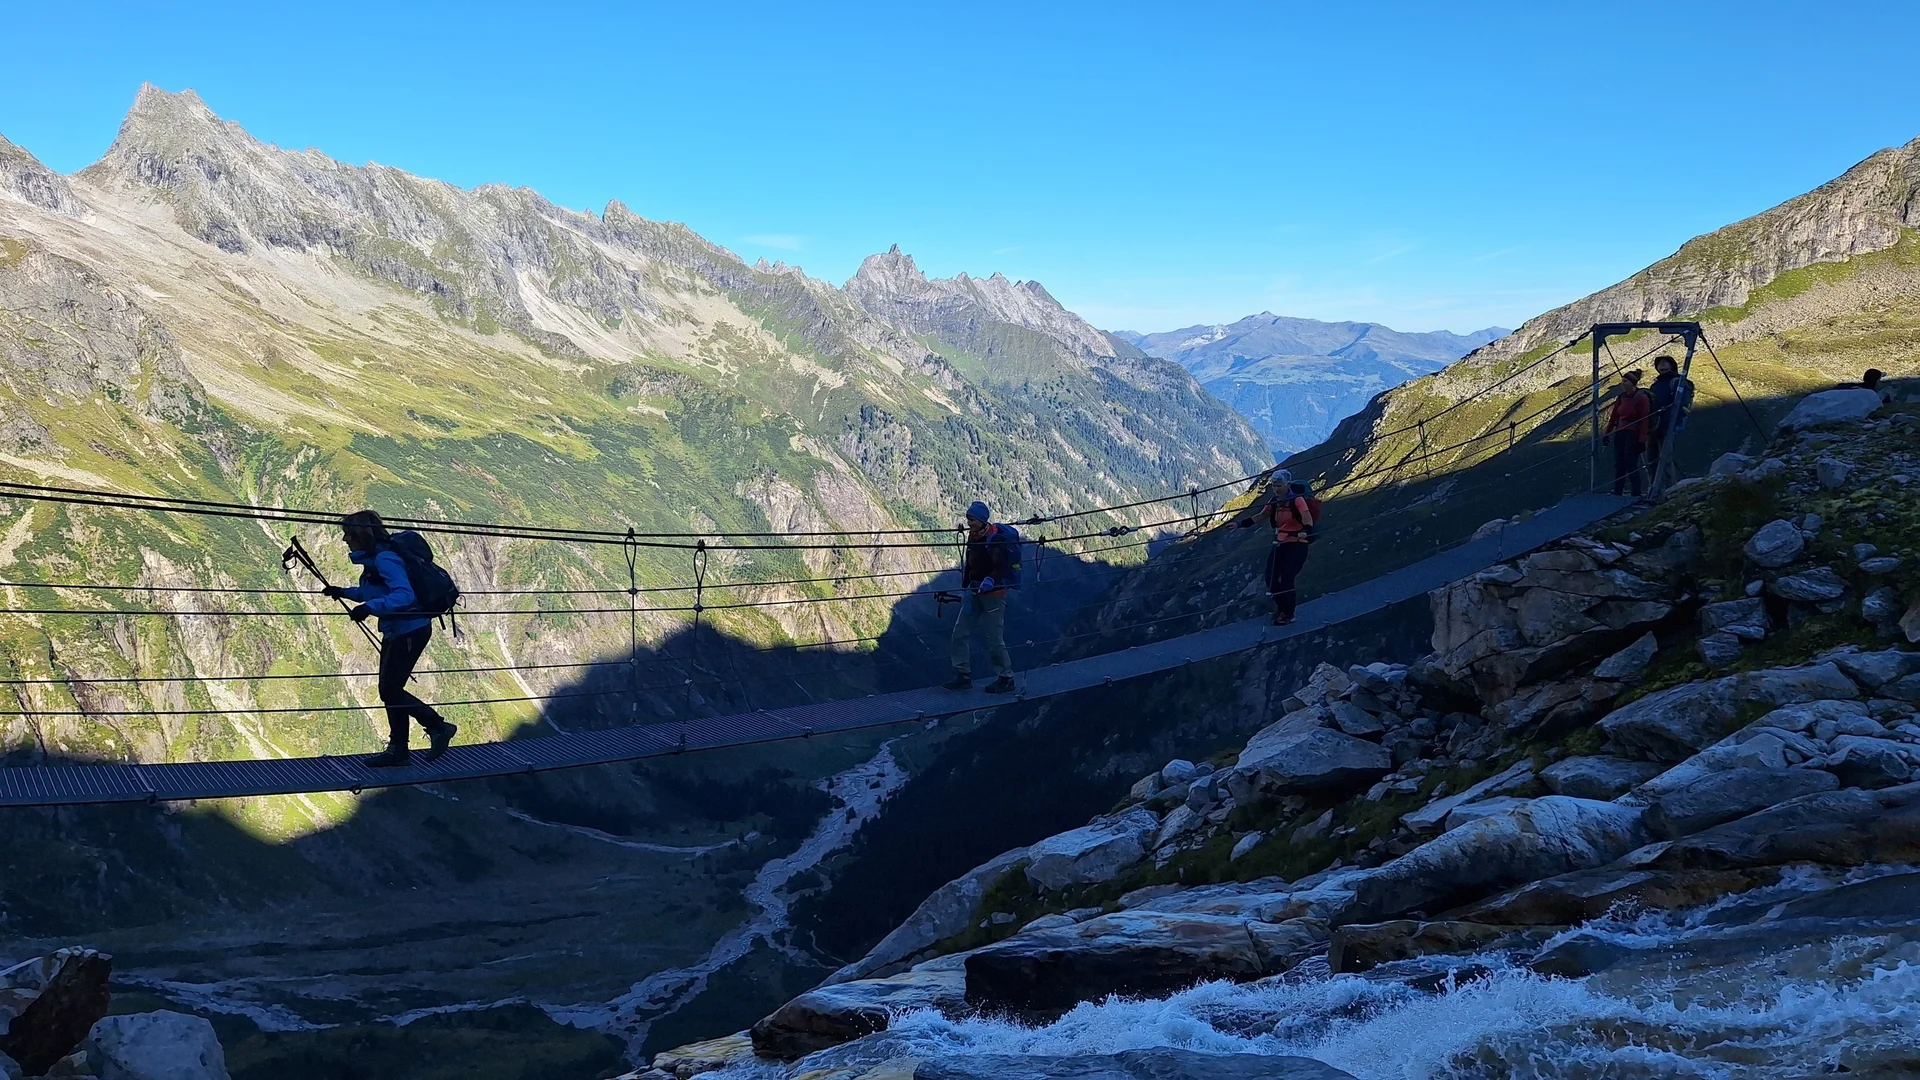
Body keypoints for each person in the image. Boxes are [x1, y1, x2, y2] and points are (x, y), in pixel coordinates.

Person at [322, 510, 458, 767]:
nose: (345, 539)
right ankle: (399, 748)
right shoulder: (377, 557)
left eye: (347, 534)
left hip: (409, 630)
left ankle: (437, 727)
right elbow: (373, 590)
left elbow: (404, 595)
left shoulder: (385, 558)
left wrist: (370, 608)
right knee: (390, 690)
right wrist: (344, 592)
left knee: (390, 690)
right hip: (400, 630)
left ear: (360, 534)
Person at [944, 501, 1017, 695]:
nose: (969, 522)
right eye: (968, 518)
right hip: (975, 590)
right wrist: (966, 583)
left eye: (972, 519)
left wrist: (991, 580)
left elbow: (1000, 567)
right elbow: (970, 562)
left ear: (982, 520)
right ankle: (963, 675)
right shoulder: (974, 536)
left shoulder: (995, 539)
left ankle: (1006, 678)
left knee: (994, 638)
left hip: (993, 594)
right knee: (960, 632)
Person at [1239, 469, 1314, 626]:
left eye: (1279, 485)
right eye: (1274, 486)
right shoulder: (1274, 501)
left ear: (1287, 485)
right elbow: (1261, 516)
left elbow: (1306, 516)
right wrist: (1239, 524)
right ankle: (1282, 607)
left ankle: (1288, 613)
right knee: (1271, 578)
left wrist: (1306, 531)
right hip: (1280, 543)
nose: (1276, 489)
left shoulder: (1297, 500)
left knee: (1287, 579)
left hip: (1297, 544)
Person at [1644, 355, 1693, 492]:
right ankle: (1655, 490)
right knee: (1652, 460)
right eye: (1659, 363)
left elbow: (1683, 406)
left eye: (1665, 363)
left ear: (1672, 365)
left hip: (1666, 426)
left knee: (1665, 460)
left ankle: (1670, 491)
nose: (1662, 365)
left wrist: (1673, 423)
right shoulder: (1655, 385)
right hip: (1654, 427)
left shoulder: (1678, 382)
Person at [1602, 370, 1652, 498]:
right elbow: (1614, 416)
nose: (1623, 383)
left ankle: (1636, 492)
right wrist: (1606, 433)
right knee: (1619, 463)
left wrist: (1642, 439)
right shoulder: (1621, 397)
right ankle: (1618, 491)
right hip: (1620, 432)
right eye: (1623, 381)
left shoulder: (1641, 398)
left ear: (1632, 383)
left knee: (1630, 463)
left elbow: (1644, 419)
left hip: (1633, 434)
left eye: (1625, 381)